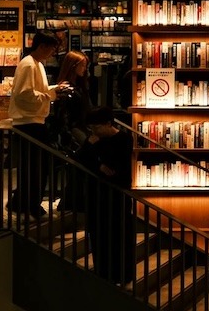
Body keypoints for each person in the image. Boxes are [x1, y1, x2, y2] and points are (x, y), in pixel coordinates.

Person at [8, 32, 70, 217]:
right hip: (28, 122)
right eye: (51, 48)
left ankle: (26, 202)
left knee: (37, 167)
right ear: (42, 46)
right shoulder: (28, 64)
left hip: (33, 120)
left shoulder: (37, 64)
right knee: (35, 168)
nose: (52, 53)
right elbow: (25, 94)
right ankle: (28, 203)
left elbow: (35, 92)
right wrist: (50, 95)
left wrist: (54, 90)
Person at [75, 106, 135, 284]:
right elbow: (80, 160)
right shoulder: (93, 140)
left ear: (109, 124)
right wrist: (97, 161)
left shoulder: (124, 138)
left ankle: (122, 273)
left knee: (118, 235)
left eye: (97, 127)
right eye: (91, 128)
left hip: (117, 194)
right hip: (96, 194)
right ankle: (102, 271)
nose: (94, 131)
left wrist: (96, 158)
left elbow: (115, 168)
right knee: (98, 234)